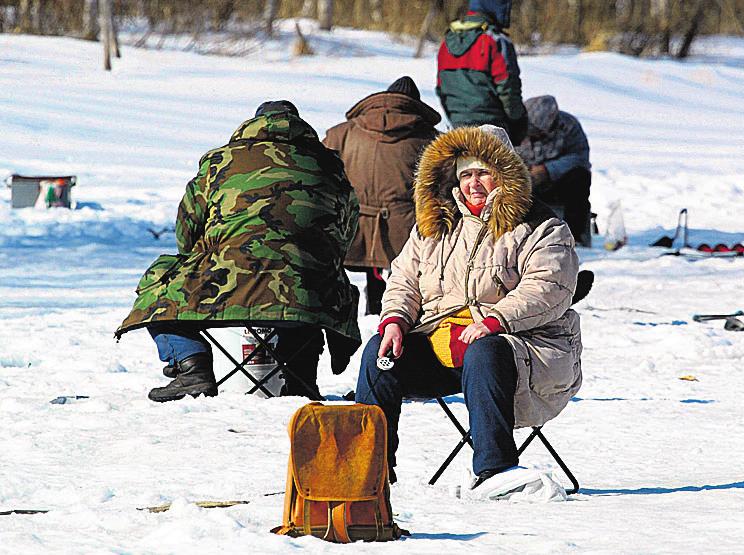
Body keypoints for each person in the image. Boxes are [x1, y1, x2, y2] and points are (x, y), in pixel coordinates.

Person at [355, 124, 582, 488]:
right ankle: (368, 469)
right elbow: (403, 280)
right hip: (440, 347)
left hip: (522, 351)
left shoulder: (542, 226)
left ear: (505, 175)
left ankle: (496, 469)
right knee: (378, 355)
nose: (473, 183)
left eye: (484, 173)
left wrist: (496, 321)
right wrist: (395, 319)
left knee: (484, 350)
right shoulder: (434, 226)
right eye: (465, 174)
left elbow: (549, 287)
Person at [115, 101, 362, 402]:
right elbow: (346, 232)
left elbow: (187, 228)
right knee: (302, 276)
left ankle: (191, 367)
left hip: (227, 282)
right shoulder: (329, 165)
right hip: (313, 294)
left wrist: (201, 261)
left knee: (158, 278)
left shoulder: (220, 160)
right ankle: (300, 377)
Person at [323, 76, 441, 315]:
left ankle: (371, 310)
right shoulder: (430, 140)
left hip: (351, 228)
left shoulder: (341, 134)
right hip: (407, 230)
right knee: (407, 280)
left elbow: (320, 175)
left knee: (370, 274)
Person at [435, 0, 528, 144]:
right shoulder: (495, 40)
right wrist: (519, 125)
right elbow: (509, 90)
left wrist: (456, 119)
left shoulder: (447, 41)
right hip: (494, 129)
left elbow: (441, 90)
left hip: (458, 128)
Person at [516, 95, 592, 246]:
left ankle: (575, 237)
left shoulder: (569, 125)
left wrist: (547, 170)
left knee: (580, 177)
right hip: (524, 181)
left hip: (556, 181)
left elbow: (580, 157)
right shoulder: (514, 126)